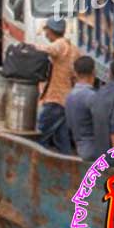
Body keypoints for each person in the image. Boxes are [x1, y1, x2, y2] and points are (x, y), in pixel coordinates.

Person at [34, 17, 79, 155]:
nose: (45, 34)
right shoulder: (73, 48)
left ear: (51, 31)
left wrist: (31, 47)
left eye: (46, 30)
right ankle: (67, 165)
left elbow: (50, 50)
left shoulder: (60, 45)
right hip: (66, 97)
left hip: (56, 99)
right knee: (61, 137)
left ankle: (36, 161)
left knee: (40, 133)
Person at [65, 56, 98, 161]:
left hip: (80, 148)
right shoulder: (92, 96)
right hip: (94, 150)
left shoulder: (69, 96)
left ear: (75, 73)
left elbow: (69, 125)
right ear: (94, 72)